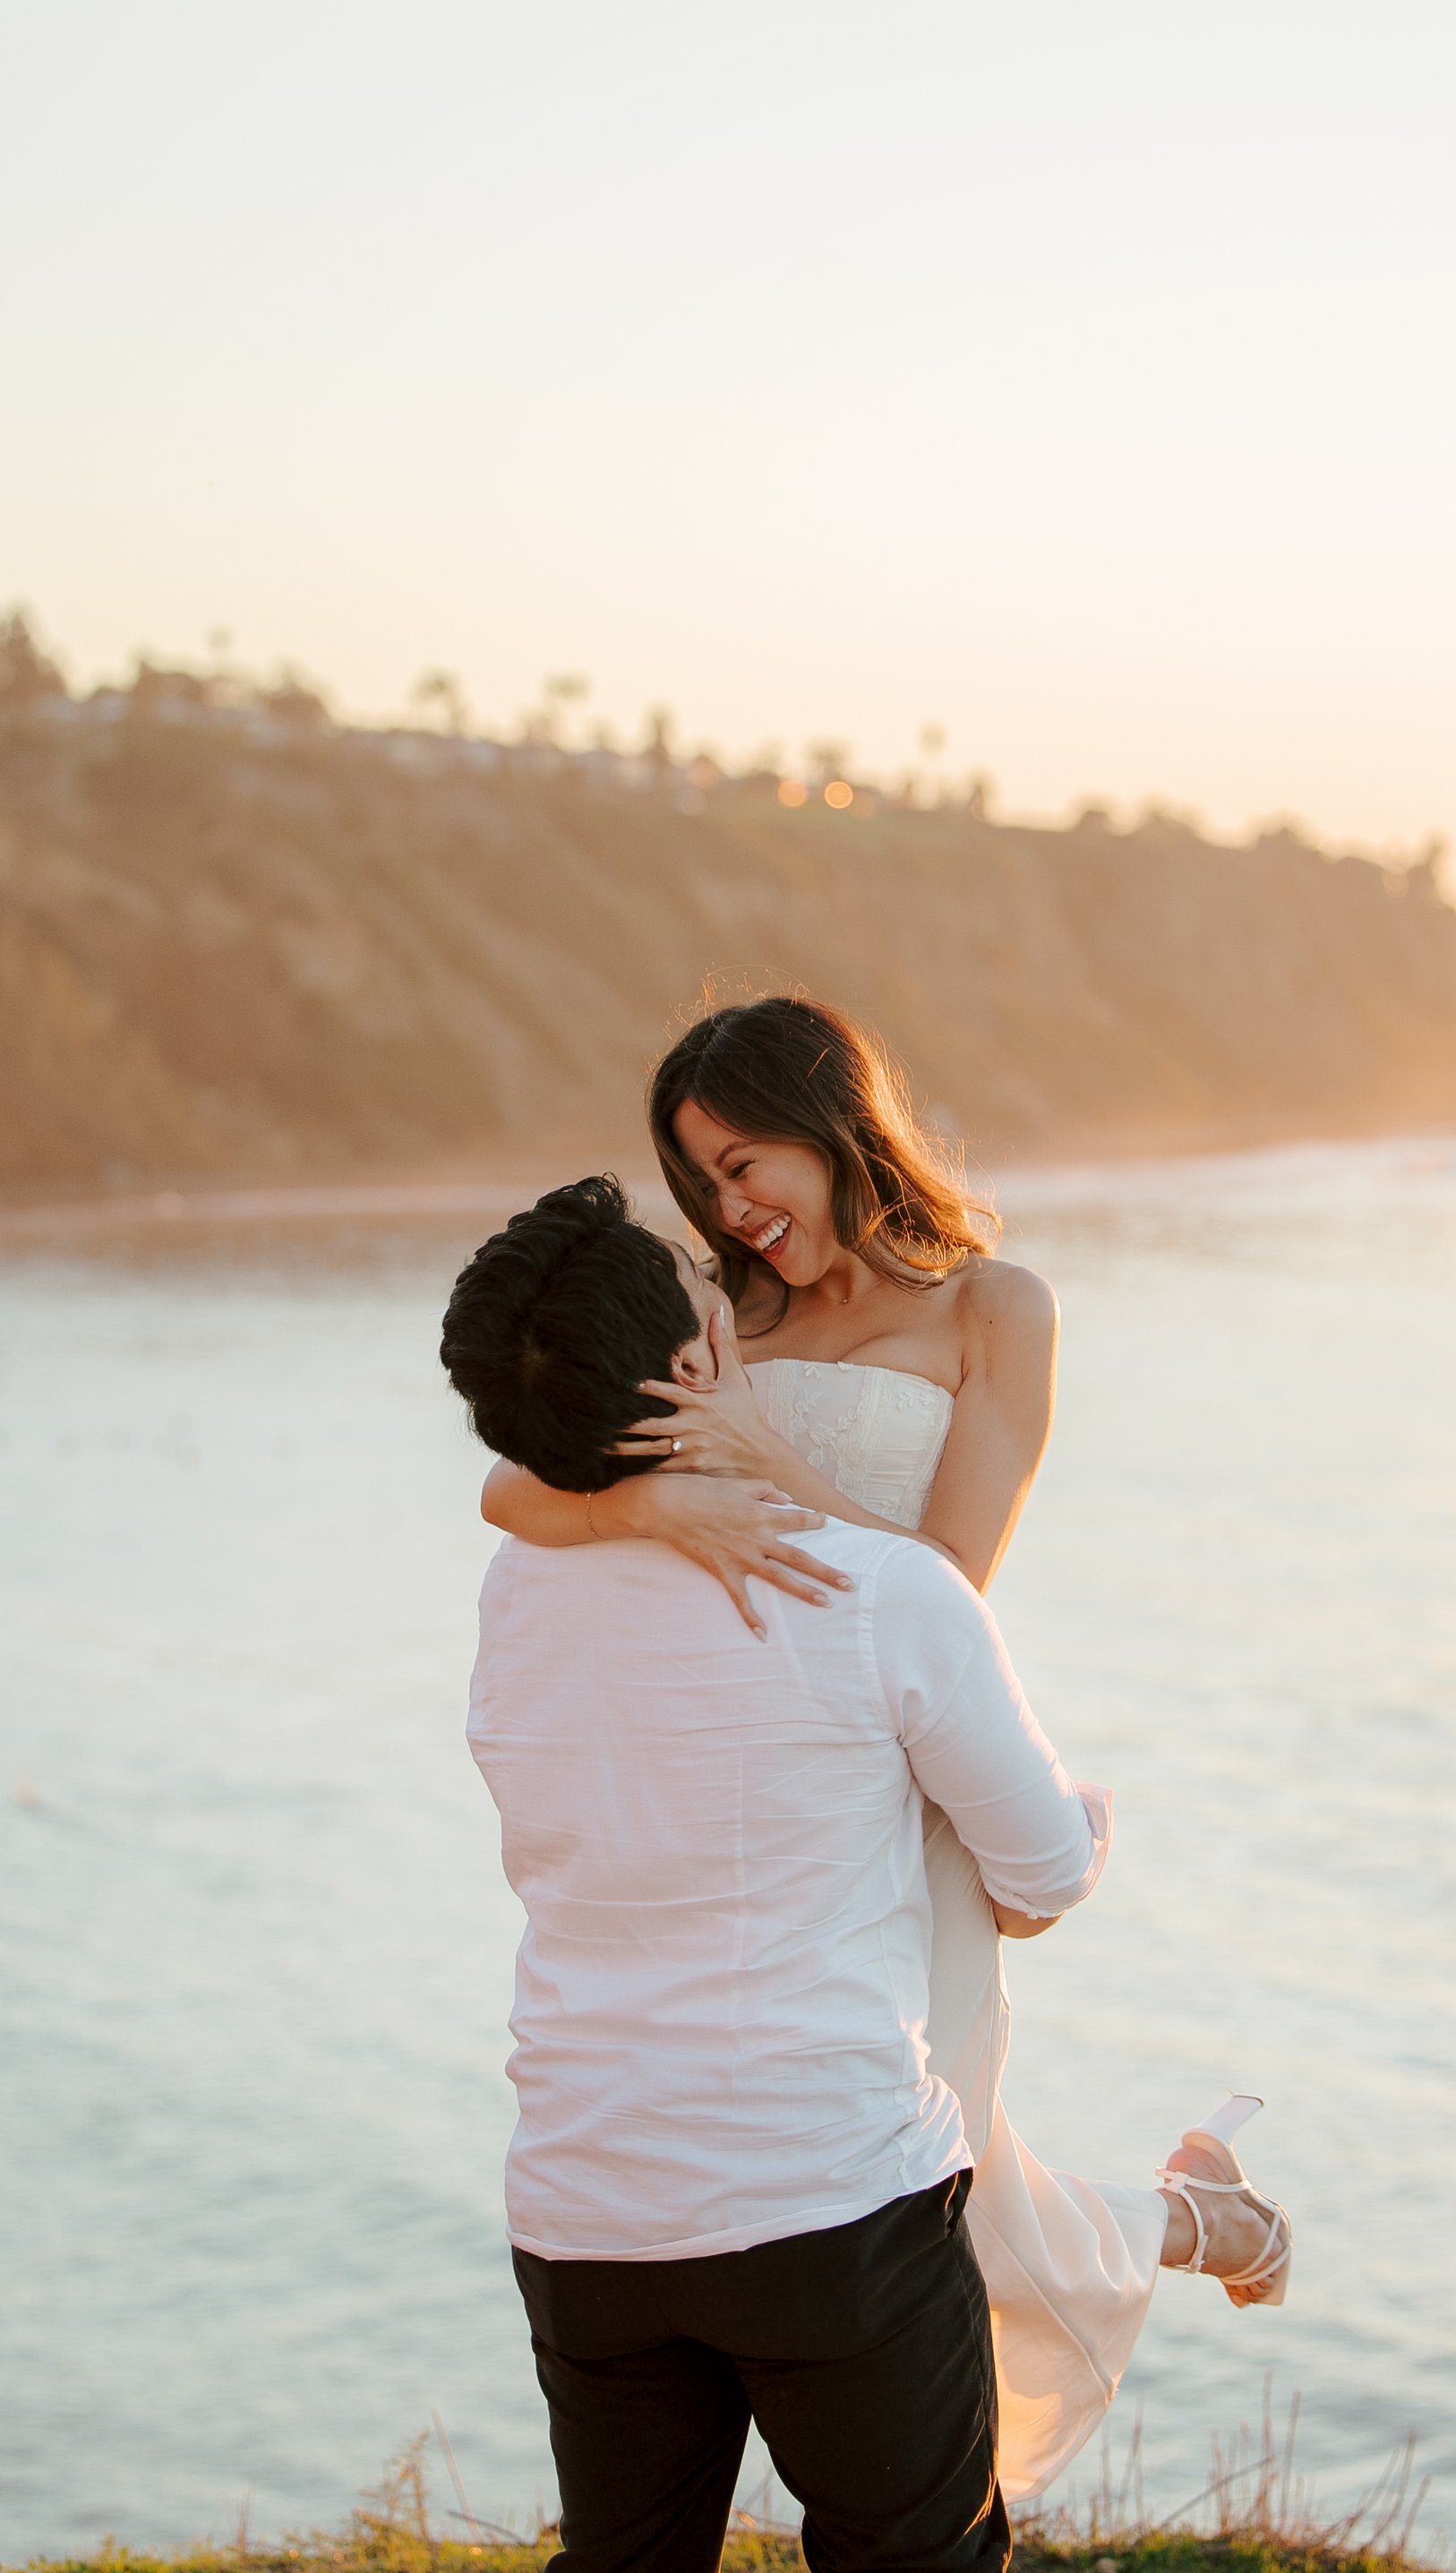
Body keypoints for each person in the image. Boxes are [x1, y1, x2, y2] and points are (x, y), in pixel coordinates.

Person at [441, 1177, 1272, 2573]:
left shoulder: (521, 1582)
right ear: (697, 1361)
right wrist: (1071, 1798)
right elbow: (1039, 1877)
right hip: (824, 2194)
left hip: (586, 2193)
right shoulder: (879, 1590)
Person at [482, 996, 1290, 2493]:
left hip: (906, 1775)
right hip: (745, 1791)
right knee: (902, 2179)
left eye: (747, 1164)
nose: (732, 1209)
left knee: (935, 2173)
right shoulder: (718, 1312)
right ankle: (1181, 2230)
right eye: (701, 1183)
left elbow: (946, 1583)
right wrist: (652, 1501)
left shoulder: (997, 1312)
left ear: (832, 1119)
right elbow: (512, 1497)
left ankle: (1139, 2281)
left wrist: (762, 1463)